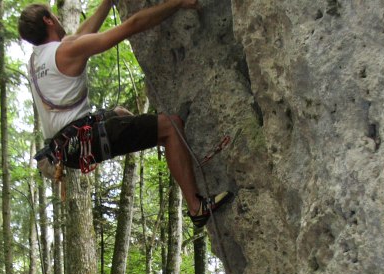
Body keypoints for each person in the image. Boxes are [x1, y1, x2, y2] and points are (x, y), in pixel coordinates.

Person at [18, 0, 232, 227]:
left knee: (119, 113)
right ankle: (196, 207)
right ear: (48, 20)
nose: (59, 20)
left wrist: (107, 3)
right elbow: (132, 25)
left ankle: (173, 149)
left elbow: (80, 36)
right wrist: (178, 3)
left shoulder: (35, 62)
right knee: (172, 126)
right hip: (83, 140)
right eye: (55, 16)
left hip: (66, 147)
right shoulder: (66, 50)